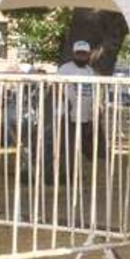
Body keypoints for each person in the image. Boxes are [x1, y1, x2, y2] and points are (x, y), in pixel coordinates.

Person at [55, 40, 99, 184]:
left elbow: (93, 93)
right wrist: (65, 107)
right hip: (66, 115)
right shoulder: (65, 69)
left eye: (84, 54)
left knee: (78, 147)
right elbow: (58, 89)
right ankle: (67, 175)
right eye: (79, 54)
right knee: (68, 146)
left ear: (88, 55)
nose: (81, 56)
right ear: (74, 54)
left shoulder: (90, 71)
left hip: (84, 116)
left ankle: (74, 174)